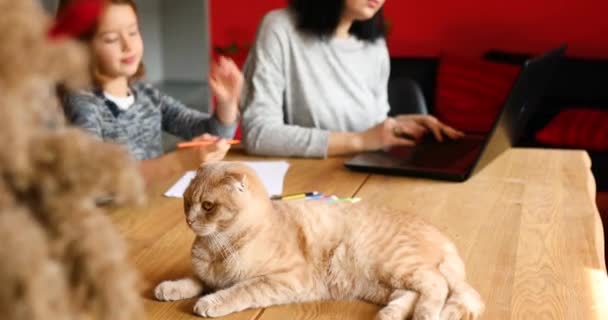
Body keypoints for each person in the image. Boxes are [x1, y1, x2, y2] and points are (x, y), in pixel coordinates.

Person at [241, 0, 463, 158]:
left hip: (363, 177)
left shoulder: (374, 46)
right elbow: (259, 134)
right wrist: (360, 141)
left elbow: (371, 129)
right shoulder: (280, 28)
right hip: (308, 187)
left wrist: (397, 126)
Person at [60, 0, 243, 181]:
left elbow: (212, 134)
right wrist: (180, 161)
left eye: (133, 32)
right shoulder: (82, 104)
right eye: (111, 39)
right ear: (79, 48)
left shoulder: (145, 93)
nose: (128, 46)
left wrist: (227, 103)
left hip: (153, 205)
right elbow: (96, 180)